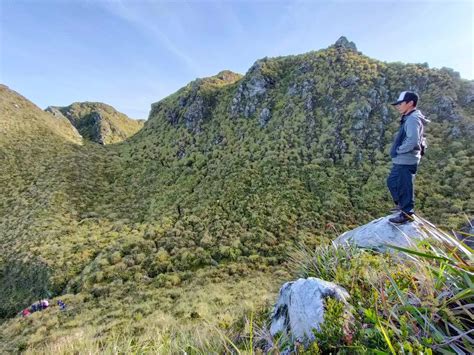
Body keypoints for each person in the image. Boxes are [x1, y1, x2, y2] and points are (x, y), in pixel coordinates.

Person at [387, 91, 429, 224]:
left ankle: (406, 213)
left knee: (404, 185)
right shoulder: (409, 116)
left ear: (410, 103)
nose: (398, 106)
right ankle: (402, 207)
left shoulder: (412, 119)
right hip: (403, 159)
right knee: (392, 181)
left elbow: (413, 140)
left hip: (406, 159)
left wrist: (399, 150)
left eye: (401, 103)